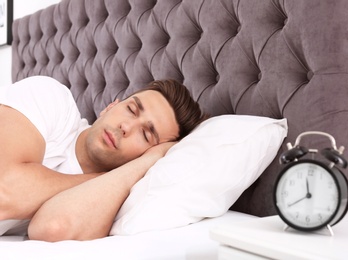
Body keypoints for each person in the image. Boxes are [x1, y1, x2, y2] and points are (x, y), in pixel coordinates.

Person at [0, 76, 207, 241]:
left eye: (145, 135)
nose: (126, 127)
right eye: (131, 110)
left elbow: (53, 228)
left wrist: (145, 164)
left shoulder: (114, 194)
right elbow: (4, 191)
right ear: (110, 106)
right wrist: (101, 177)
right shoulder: (50, 98)